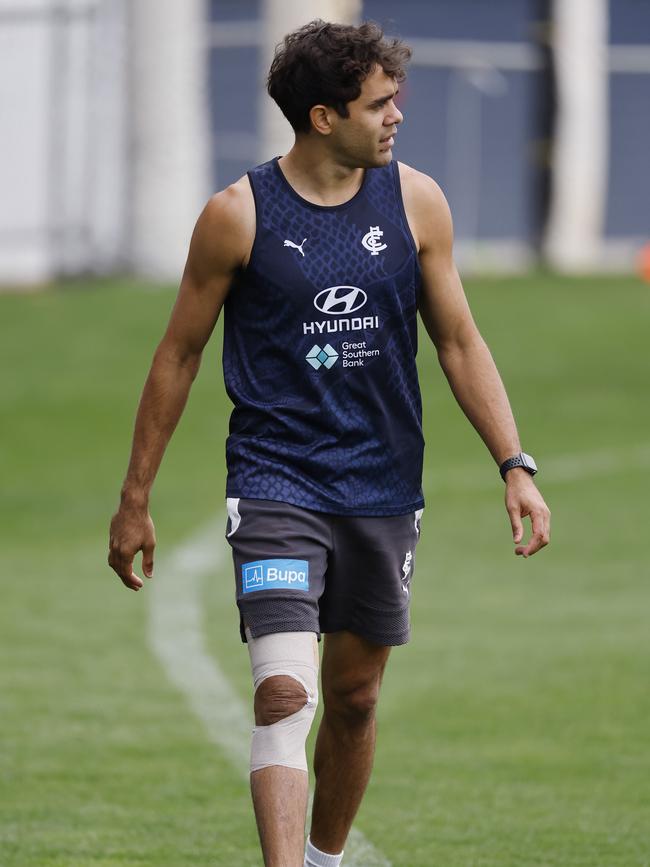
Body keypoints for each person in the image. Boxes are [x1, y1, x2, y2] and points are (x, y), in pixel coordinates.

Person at [108, 19, 551, 867]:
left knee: (353, 696)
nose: (396, 118)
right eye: (380, 104)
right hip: (277, 483)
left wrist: (514, 464)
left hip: (384, 488)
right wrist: (135, 497)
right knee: (284, 691)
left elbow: (458, 340)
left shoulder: (416, 201)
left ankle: (325, 859)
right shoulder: (237, 216)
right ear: (322, 117)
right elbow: (179, 354)